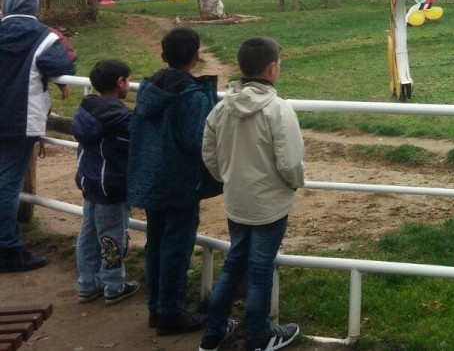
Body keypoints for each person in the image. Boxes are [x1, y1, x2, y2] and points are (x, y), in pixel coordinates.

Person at [200, 37, 304, 351]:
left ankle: (213, 331)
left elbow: (209, 154)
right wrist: (294, 183)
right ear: (273, 68)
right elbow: (290, 162)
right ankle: (260, 336)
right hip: (269, 205)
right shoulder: (279, 110)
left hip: (237, 201)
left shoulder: (221, 109)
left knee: (234, 263)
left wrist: (228, 178)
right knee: (260, 268)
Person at [127, 27, 220, 336]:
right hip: (180, 183)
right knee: (176, 247)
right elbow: (198, 140)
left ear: (163, 55)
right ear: (196, 56)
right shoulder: (191, 96)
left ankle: (157, 307)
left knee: (155, 243)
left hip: (151, 179)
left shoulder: (148, 89)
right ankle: (170, 311)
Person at [0, 0, 75, 273]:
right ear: (34, 7)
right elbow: (61, 62)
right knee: (8, 185)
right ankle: (7, 249)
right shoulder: (44, 37)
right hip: (20, 120)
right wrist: (59, 79)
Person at [72, 58, 140, 305]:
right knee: (112, 238)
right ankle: (113, 285)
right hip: (111, 189)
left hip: (90, 185)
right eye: (128, 81)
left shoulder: (87, 111)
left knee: (88, 235)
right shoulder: (120, 120)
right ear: (121, 82)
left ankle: (87, 283)